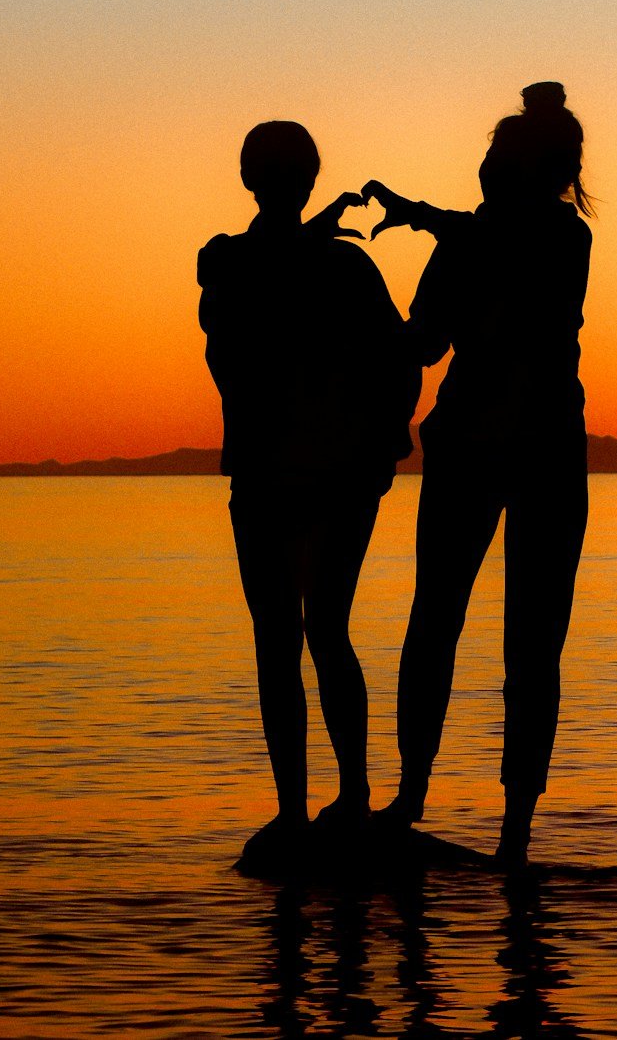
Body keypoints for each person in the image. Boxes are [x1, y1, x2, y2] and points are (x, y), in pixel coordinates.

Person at [364, 81, 593, 865]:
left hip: (515, 448)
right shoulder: (481, 240)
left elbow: (491, 259)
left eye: (496, 152)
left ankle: (488, 821)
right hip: (511, 446)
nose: (485, 163)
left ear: (526, 166)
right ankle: (445, 807)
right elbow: (423, 343)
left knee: (499, 634)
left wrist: (419, 215)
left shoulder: (556, 238)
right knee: (470, 627)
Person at [198, 120, 421, 875]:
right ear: (312, 179)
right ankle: (347, 799)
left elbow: (226, 348)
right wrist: (388, 445)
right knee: (325, 630)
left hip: (282, 474)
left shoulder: (231, 265)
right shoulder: (328, 267)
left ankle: (303, 809)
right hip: (331, 474)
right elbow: (400, 360)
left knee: (283, 639)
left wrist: (383, 445)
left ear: (248, 176)